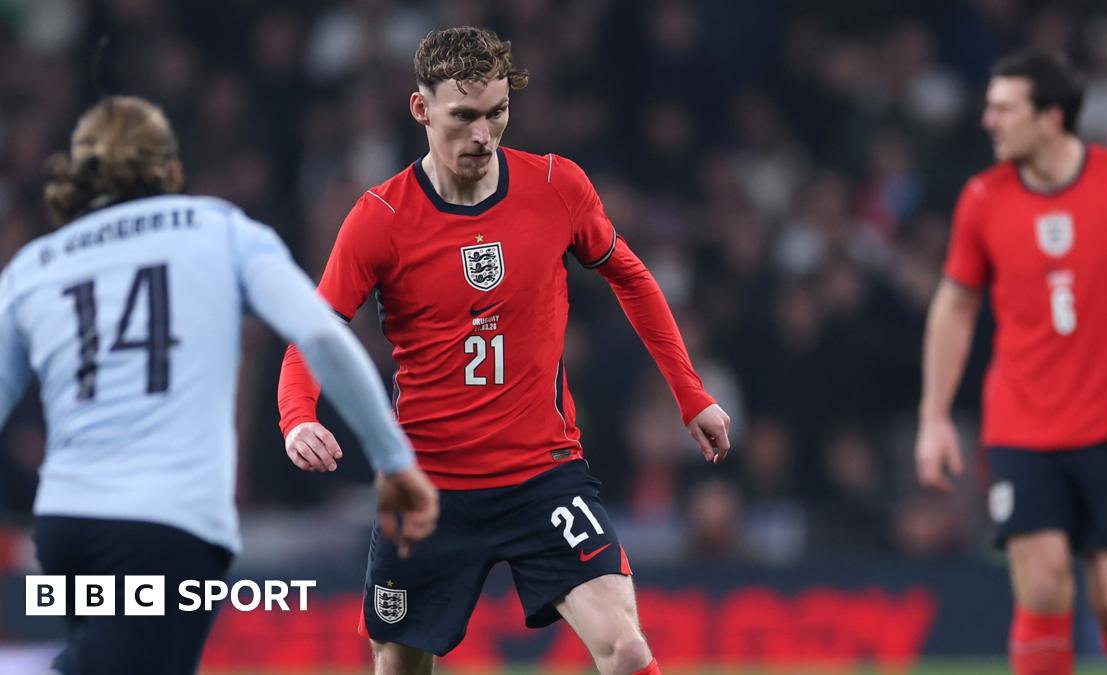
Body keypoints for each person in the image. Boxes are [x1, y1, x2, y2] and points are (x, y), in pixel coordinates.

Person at [277, 26, 731, 675]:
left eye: (497, 114)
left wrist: (691, 394)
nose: (484, 136)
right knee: (398, 667)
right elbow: (313, 329)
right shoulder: (381, 217)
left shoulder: (556, 186)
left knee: (627, 649)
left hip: (545, 476)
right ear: (421, 109)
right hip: (427, 488)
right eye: (464, 117)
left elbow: (631, 275)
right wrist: (299, 415)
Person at [0, 96, 440, 675]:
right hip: (168, 524)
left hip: (64, 530)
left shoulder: (35, 266)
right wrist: (395, 459)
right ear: (169, 169)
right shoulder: (219, 230)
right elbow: (323, 337)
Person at [915, 50, 1107, 675]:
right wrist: (934, 417)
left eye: (1003, 108)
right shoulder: (982, 199)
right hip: (1021, 426)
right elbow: (954, 308)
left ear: (1050, 118)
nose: (988, 120)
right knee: (1043, 589)